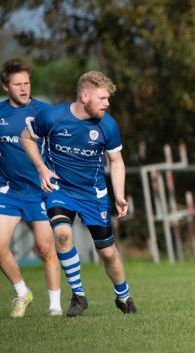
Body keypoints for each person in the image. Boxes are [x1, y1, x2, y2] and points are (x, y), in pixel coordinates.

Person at [21, 70, 137, 316]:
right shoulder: (52, 116)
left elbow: (116, 161)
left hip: (93, 194)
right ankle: (79, 295)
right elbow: (27, 138)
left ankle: (123, 296)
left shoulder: (107, 124)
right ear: (85, 96)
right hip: (59, 189)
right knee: (62, 234)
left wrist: (119, 195)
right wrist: (42, 169)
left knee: (107, 252)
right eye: (103, 98)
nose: (108, 103)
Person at [0, 58, 62, 317]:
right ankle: (22, 293)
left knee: (46, 248)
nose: (24, 88)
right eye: (18, 84)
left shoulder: (45, 113)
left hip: (40, 192)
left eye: (27, 83)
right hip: (9, 191)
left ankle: (55, 307)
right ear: (6, 86)